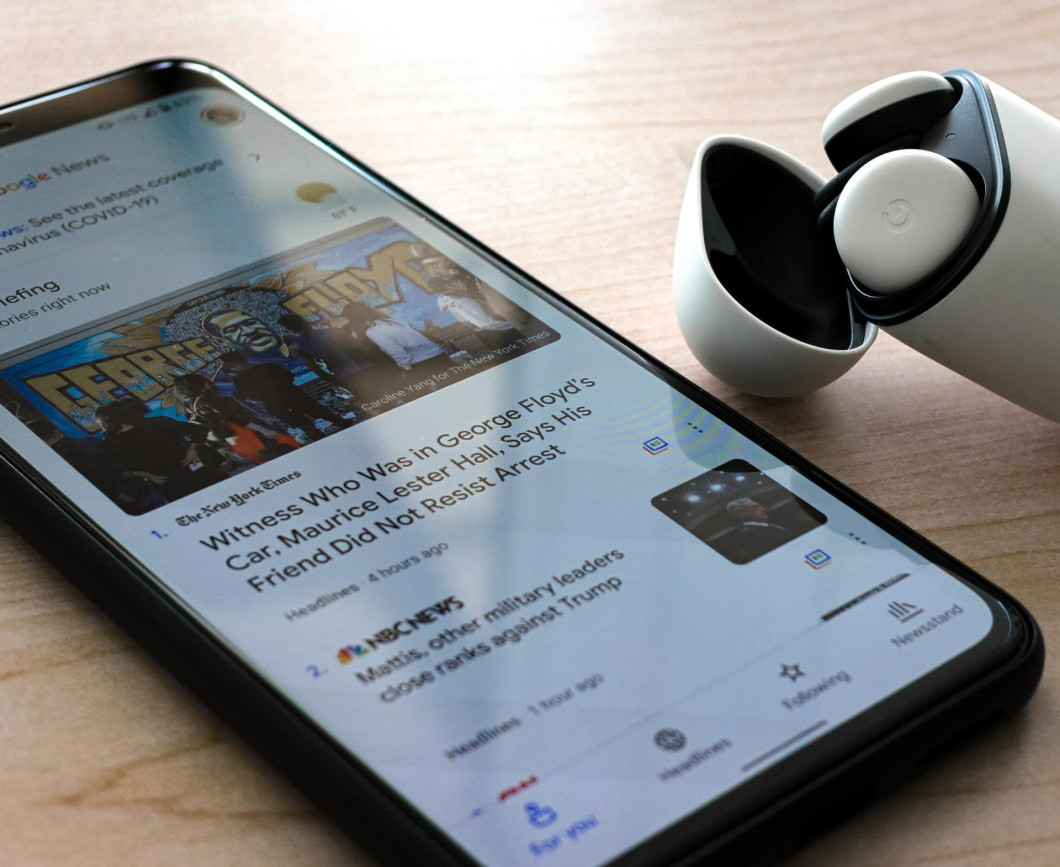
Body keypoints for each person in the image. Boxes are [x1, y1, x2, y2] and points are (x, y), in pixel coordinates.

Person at [95, 398, 228, 508]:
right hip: (181, 475)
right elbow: (199, 429)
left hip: (175, 478)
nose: (100, 426)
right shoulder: (157, 422)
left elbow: (114, 471)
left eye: (100, 422)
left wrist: (192, 449)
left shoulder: (111, 443)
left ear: (108, 420)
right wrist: (192, 449)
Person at [219, 351, 350, 441]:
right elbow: (290, 378)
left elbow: (249, 397)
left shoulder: (240, 381)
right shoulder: (268, 367)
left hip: (277, 405)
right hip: (295, 396)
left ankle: (325, 443)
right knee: (325, 415)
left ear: (232, 364)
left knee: (306, 426)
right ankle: (348, 428)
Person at [173, 374, 300, 464]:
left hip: (231, 439)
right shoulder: (206, 399)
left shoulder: (189, 405)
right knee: (288, 452)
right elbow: (234, 417)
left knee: (264, 461)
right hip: (248, 432)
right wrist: (263, 429)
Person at [341, 302, 452, 385]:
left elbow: (398, 353)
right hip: (438, 356)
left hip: (422, 365)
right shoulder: (390, 321)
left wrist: (405, 370)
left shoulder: (374, 331)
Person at [436, 292, 517, 351]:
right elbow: (484, 323)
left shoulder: (456, 303)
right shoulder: (457, 303)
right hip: (492, 330)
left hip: (489, 329)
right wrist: (510, 325)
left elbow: (470, 321)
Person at [725, 497, 797, 561]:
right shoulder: (747, 535)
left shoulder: (771, 523)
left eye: (760, 506)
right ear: (741, 514)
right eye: (755, 508)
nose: (763, 509)